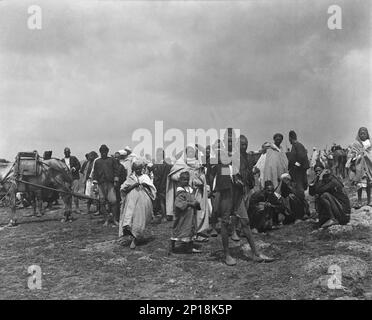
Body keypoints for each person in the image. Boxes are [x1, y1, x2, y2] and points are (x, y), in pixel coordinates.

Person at [210, 135, 274, 266]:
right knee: (225, 222)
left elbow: (249, 163)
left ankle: (256, 254)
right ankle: (227, 254)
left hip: (238, 192)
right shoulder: (219, 155)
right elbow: (216, 170)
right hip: (226, 191)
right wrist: (232, 176)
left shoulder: (240, 155)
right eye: (227, 141)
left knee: (245, 221)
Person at [119, 160, 156, 249]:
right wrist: (133, 185)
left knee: (139, 218)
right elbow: (124, 189)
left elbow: (152, 189)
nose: (138, 171)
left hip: (142, 201)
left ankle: (136, 238)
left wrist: (144, 185)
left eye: (140, 169)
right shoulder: (131, 178)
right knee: (131, 218)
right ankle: (131, 236)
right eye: (136, 169)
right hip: (131, 202)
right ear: (133, 169)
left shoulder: (145, 177)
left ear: (142, 169)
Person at [169, 171, 202, 254]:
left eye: (187, 180)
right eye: (183, 180)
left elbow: (193, 198)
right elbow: (178, 203)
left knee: (190, 230)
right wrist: (190, 204)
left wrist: (196, 203)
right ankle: (172, 247)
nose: (186, 181)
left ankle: (189, 247)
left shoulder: (190, 189)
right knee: (178, 229)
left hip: (190, 215)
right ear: (180, 180)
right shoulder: (180, 191)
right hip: (182, 215)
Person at [309, 163, 351, 228]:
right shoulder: (321, 179)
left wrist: (320, 178)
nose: (318, 172)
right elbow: (312, 193)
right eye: (316, 171)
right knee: (318, 196)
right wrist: (313, 184)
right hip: (336, 207)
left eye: (319, 170)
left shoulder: (331, 179)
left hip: (343, 212)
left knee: (324, 195)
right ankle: (324, 218)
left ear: (324, 170)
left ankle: (333, 219)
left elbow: (319, 190)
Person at [91, 144, 119, 226]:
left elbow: (116, 170)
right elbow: (95, 173)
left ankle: (114, 219)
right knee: (102, 202)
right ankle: (106, 220)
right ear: (100, 152)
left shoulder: (112, 160)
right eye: (102, 152)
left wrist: (116, 179)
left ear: (107, 152)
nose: (103, 153)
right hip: (101, 184)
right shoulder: (97, 161)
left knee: (113, 201)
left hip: (110, 183)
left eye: (105, 151)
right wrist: (95, 183)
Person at [347, 127, 372, 208]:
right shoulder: (356, 143)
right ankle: (359, 201)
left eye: (364, 133)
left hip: (368, 166)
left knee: (368, 184)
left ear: (367, 134)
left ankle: (369, 200)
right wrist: (354, 157)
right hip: (359, 166)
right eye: (361, 133)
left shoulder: (370, 143)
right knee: (359, 185)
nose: (363, 135)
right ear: (359, 135)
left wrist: (367, 155)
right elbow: (352, 153)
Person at [287, 130, 310, 217]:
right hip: (297, 172)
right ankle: (303, 211)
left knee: (300, 191)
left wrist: (296, 165)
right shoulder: (295, 145)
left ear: (290, 138)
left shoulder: (297, 145)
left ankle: (304, 211)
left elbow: (301, 156)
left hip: (299, 172)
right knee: (298, 190)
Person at [152, 148, 171, 222]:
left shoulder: (158, 165)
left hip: (160, 185)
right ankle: (166, 215)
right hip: (166, 185)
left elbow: (157, 177)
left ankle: (164, 216)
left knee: (161, 201)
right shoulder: (167, 165)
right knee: (165, 201)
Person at [61, 147, 81, 213]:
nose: (67, 153)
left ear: (70, 152)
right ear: (64, 153)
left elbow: (79, 165)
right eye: (66, 152)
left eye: (68, 152)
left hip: (75, 178)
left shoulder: (74, 158)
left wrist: (74, 168)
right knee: (67, 195)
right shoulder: (62, 161)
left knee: (75, 194)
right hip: (66, 179)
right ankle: (69, 209)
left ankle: (77, 208)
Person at [114, 151, 127, 224]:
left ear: (119, 158)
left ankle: (119, 217)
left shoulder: (121, 167)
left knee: (119, 202)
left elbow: (124, 178)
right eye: (115, 157)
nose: (116, 159)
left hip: (119, 187)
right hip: (112, 187)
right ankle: (115, 218)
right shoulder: (111, 167)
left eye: (117, 157)